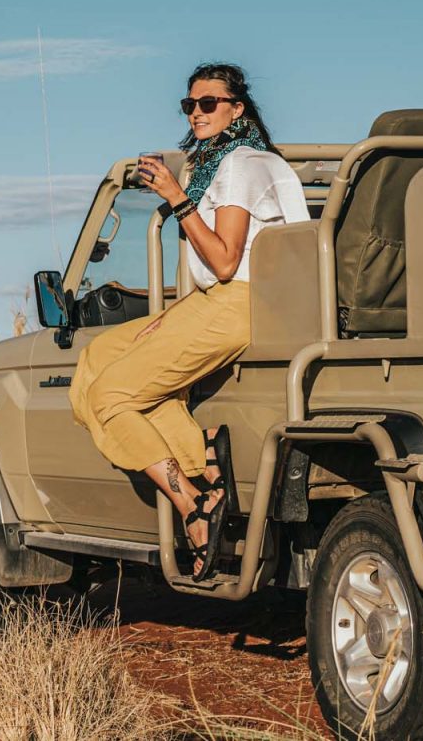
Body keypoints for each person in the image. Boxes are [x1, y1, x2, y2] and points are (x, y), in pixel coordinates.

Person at [69, 62, 310, 579]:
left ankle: (193, 506)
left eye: (209, 104)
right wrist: (175, 312)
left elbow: (225, 260)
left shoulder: (243, 164)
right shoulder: (216, 164)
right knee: (94, 360)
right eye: (190, 105)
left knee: (111, 398)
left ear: (236, 109)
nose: (197, 113)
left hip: (242, 302)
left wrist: (176, 199)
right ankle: (205, 456)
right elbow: (214, 269)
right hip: (212, 299)